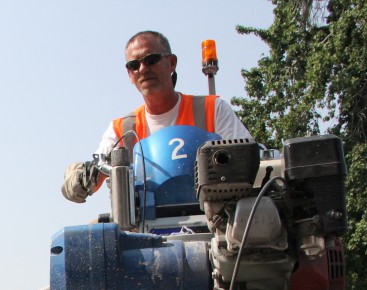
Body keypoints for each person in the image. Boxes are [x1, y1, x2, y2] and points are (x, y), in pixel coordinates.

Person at [62, 30, 253, 203]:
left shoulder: (212, 109)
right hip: (144, 230)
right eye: (134, 65)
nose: (143, 69)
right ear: (129, 74)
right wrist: (79, 178)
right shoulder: (122, 130)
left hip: (213, 221)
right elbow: (94, 175)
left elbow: (250, 160)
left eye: (151, 60)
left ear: (171, 63)